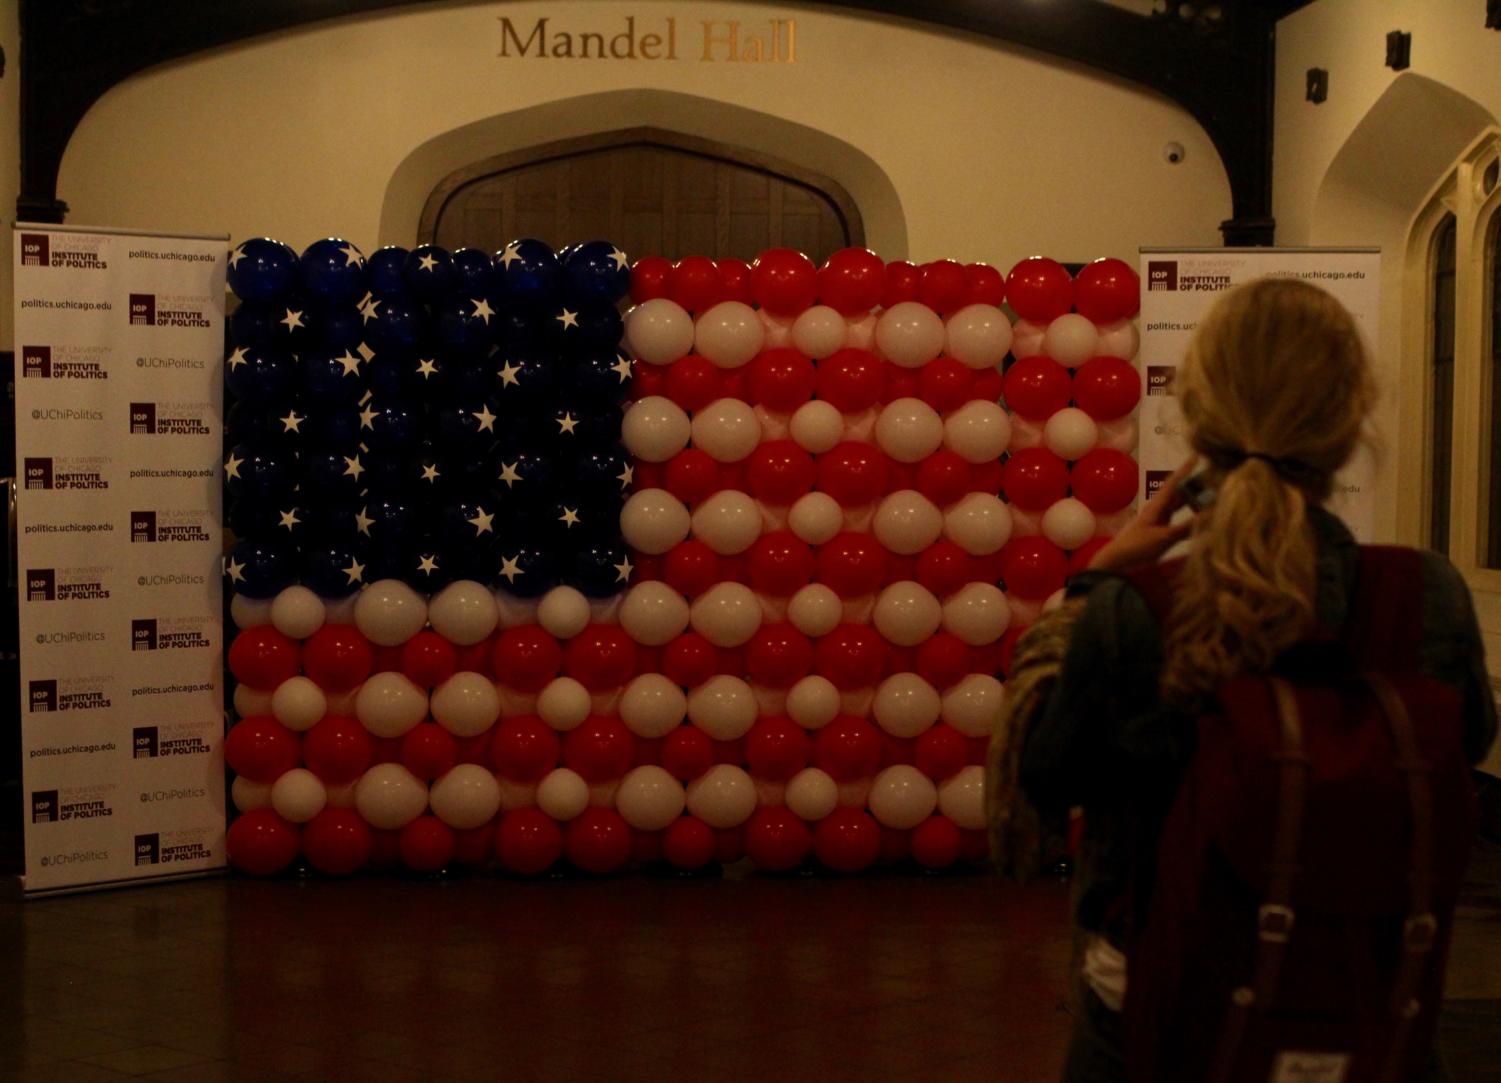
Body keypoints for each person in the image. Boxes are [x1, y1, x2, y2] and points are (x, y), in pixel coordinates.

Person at [1014, 277, 1498, 1082]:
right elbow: (1468, 744)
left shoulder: (1136, 609)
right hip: (1367, 998)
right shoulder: (1428, 595)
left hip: (1159, 1012)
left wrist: (1094, 581)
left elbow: (1047, 775)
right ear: (1348, 424)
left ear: (1197, 423)